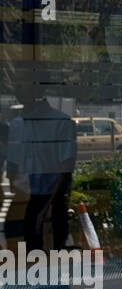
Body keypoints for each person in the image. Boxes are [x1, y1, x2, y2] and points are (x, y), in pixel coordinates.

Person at [8, 82, 77, 253]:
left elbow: (66, 164)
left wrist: (54, 193)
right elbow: (13, 163)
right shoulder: (18, 124)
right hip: (29, 192)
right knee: (34, 232)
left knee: (54, 225)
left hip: (53, 190)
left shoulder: (60, 122)